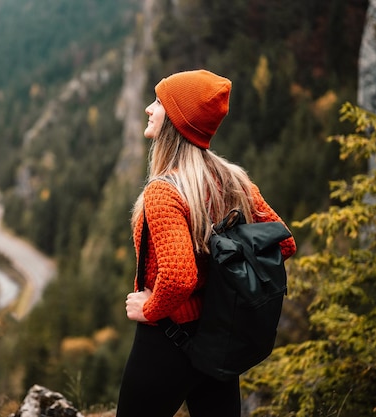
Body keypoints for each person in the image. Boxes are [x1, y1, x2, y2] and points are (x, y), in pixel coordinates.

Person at [115, 69, 297, 416]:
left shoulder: (163, 192)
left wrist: (149, 308)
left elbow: (179, 277)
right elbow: (282, 243)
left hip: (165, 339)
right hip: (217, 335)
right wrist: (223, 284)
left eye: (158, 102)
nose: (148, 109)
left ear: (177, 120)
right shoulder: (234, 180)